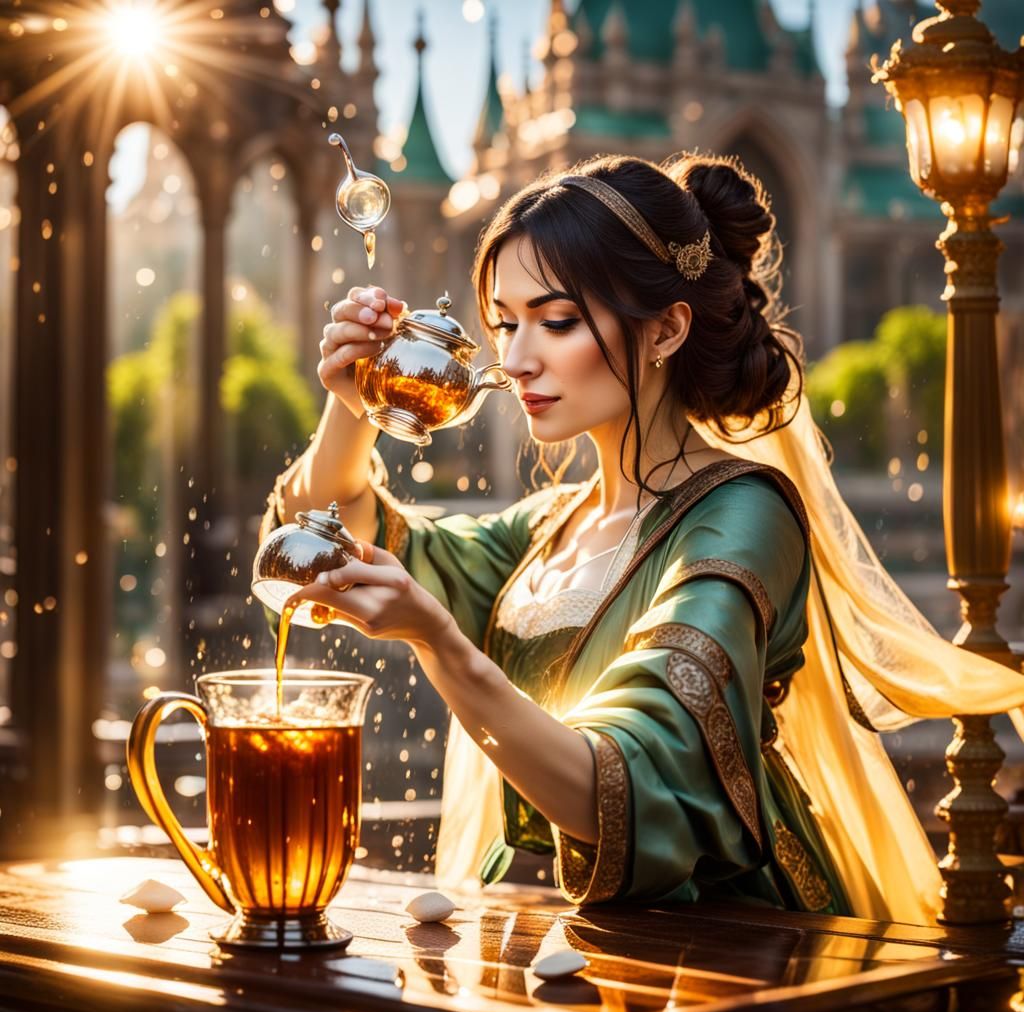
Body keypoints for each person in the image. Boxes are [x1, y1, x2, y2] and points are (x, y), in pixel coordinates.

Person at [262, 153, 1023, 925]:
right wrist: (355, 403)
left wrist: (441, 643)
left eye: (555, 322)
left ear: (666, 329)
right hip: (533, 940)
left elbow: (622, 791)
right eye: (504, 324)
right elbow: (319, 542)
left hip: (719, 951)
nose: (518, 360)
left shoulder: (742, 518)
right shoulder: (547, 528)